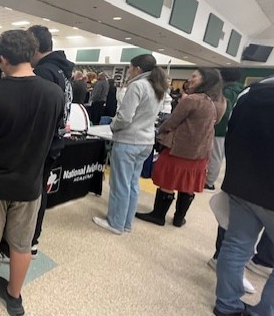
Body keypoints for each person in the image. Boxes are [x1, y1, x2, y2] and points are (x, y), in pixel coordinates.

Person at [0, 30, 64, 316]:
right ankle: (14, 297)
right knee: (22, 244)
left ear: (4, 59)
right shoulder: (54, 94)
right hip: (30, 183)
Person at [0, 25, 71, 263]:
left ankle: (16, 246)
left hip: (35, 148)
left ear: (35, 47)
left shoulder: (44, 74)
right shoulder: (61, 72)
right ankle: (31, 241)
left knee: (24, 200)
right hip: (51, 144)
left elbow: (26, 116)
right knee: (38, 194)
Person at [213, 77, 274, 316]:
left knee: (236, 245)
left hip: (241, 184)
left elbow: (230, 133)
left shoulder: (251, 94)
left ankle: (226, 304)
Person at [136, 68, 226, 227]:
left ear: (205, 80)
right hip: (201, 151)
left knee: (169, 182)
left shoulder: (193, 99)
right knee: (188, 184)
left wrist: (160, 131)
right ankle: (179, 218)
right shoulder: (221, 102)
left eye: (194, 76)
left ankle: (158, 215)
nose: (190, 79)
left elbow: (172, 121)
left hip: (179, 148)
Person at [92, 54, 168, 234]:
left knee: (120, 184)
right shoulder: (158, 86)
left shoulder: (137, 86)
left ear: (138, 69)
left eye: (130, 67)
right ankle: (126, 223)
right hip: (145, 142)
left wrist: (112, 126)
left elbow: (125, 117)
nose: (128, 71)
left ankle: (115, 223)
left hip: (129, 141)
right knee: (133, 184)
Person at [205, 68, 243, 191]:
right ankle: (210, 179)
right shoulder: (242, 90)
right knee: (218, 155)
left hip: (220, 127)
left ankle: (209, 182)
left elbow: (224, 111)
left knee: (215, 155)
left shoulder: (227, 92)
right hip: (231, 128)